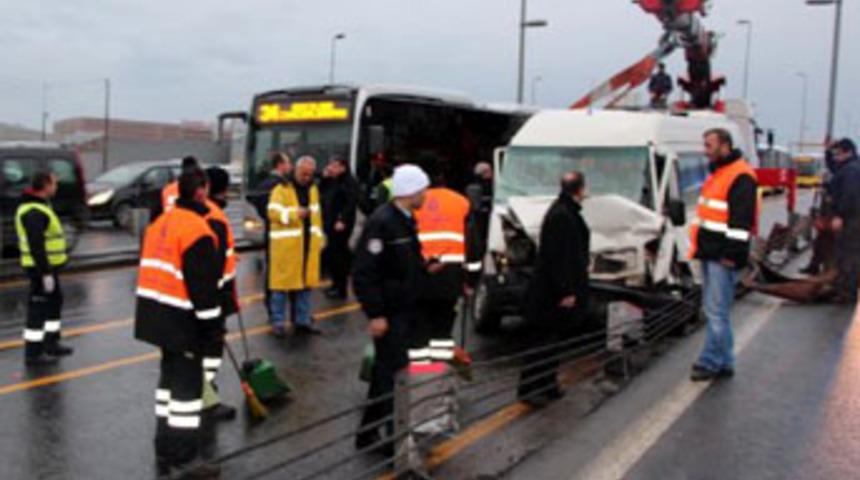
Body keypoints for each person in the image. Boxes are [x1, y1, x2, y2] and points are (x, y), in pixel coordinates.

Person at [135, 167, 222, 479]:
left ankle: (164, 445)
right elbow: (204, 290)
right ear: (201, 191)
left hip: (155, 316)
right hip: (182, 321)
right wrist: (213, 329)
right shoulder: (198, 230)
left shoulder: (160, 223)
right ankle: (185, 458)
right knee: (186, 392)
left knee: (168, 385)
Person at [352, 164, 430, 453]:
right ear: (410, 192)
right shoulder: (382, 222)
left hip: (404, 308)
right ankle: (390, 436)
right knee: (391, 374)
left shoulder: (405, 220)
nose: (425, 195)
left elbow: (403, 262)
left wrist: (424, 267)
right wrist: (375, 314)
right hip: (390, 311)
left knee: (386, 372)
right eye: (422, 190)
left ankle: (370, 433)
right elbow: (364, 272)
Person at [689, 128, 758, 382]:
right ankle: (725, 360)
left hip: (722, 255)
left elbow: (741, 222)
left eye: (709, 145)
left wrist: (733, 255)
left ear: (725, 145)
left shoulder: (739, 176)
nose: (705, 150)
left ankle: (711, 361)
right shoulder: (722, 173)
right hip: (712, 251)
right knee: (718, 310)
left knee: (716, 311)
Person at [517, 171, 591, 406]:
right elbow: (556, 257)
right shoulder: (561, 215)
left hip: (552, 291)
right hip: (549, 294)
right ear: (580, 189)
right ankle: (532, 388)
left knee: (551, 342)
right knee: (542, 343)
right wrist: (565, 290)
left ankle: (547, 385)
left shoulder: (565, 211)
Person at [412, 168, 480, 348]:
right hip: (451, 274)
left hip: (420, 272)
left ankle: (421, 361)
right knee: (443, 326)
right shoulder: (461, 202)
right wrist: (471, 281)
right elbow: (472, 245)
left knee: (420, 326)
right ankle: (440, 360)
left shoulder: (414, 202)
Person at [16, 171, 74, 366]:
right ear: (46, 185)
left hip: (48, 266)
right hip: (39, 268)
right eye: (54, 183)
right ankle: (33, 352)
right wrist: (46, 272)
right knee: (38, 308)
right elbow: (36, 245)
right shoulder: (34, 211)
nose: (56, 187)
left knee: (54, 301)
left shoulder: (41, 206)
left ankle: (51, 342)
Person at [267, 156, 325, 338]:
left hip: (307, 245)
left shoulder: (313, 189)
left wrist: (319, 238)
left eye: (310, 174)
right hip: (287, 248)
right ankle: (278, 323)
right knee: (280, 288)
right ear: (296, 170)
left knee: (305, 286)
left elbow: (317, 217)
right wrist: (294, 213)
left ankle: (302, 321)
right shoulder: (281, 189)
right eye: (303, 174)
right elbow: (272, 212)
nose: (306, 177)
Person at [200, 166, 239, 422]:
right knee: (210, 350)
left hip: (191, 297)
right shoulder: (214, 217)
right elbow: (213, 265)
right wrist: (224, 301)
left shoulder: (198, 212)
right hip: (211, 297)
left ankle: (203, 393)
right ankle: (207, 398)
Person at [252, 152, 293, 321]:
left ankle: (274, 309)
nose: (290, 166)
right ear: (280, 165)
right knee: (278, 274)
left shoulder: (265, 184)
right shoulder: (278, 185)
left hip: (273, 233)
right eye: (288, 163)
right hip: (281, 234)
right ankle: (275, 311)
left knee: (274, 272)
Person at [320, 156, 359, 299]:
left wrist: (342, 219)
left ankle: (341, 288)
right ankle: (335, 284)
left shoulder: (349, 182)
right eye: (330, 165)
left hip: (340, 224)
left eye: (334, 166)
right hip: (330, 222)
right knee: (332, 254)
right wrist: (324, 179)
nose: (331, 168)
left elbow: (350, 203)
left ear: (343, 167)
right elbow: (322, 193)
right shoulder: (332, 181)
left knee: (339, 255)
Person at [828, 138, 860, 303]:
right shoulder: (849, 167)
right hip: (852, 218)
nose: (835, 157)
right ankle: (845, 289)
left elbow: (850, 195)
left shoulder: (851, 171)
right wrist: (828, 151)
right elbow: (834, 168)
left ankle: (847, 293)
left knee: (848, 256)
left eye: (838, 154)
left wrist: (840, 215)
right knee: (847, 255)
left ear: (848, 153)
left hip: (851, 220)